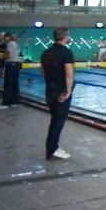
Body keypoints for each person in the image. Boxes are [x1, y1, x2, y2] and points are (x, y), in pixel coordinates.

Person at [41, 28, 75, 160]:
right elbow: (69, 74)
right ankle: (52, 149)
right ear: (66, 37)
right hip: (61, 91)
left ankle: (52, 147)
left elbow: (42, 72)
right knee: (58, 122)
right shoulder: (66, 52)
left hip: (49, 90)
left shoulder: (46, 52)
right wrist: (68, 90)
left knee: (55, 120)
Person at [0, 34, 22, 108]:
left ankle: (6, 103)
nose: (4, 40)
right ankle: (14, 102)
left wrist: (2, 55)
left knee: (8, 84)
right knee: (15, 84)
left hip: (10, 65)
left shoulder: (9, 44)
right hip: (16, 65)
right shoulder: (17, 44)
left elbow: (9, 55)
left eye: (4, 38)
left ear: (8, 37)